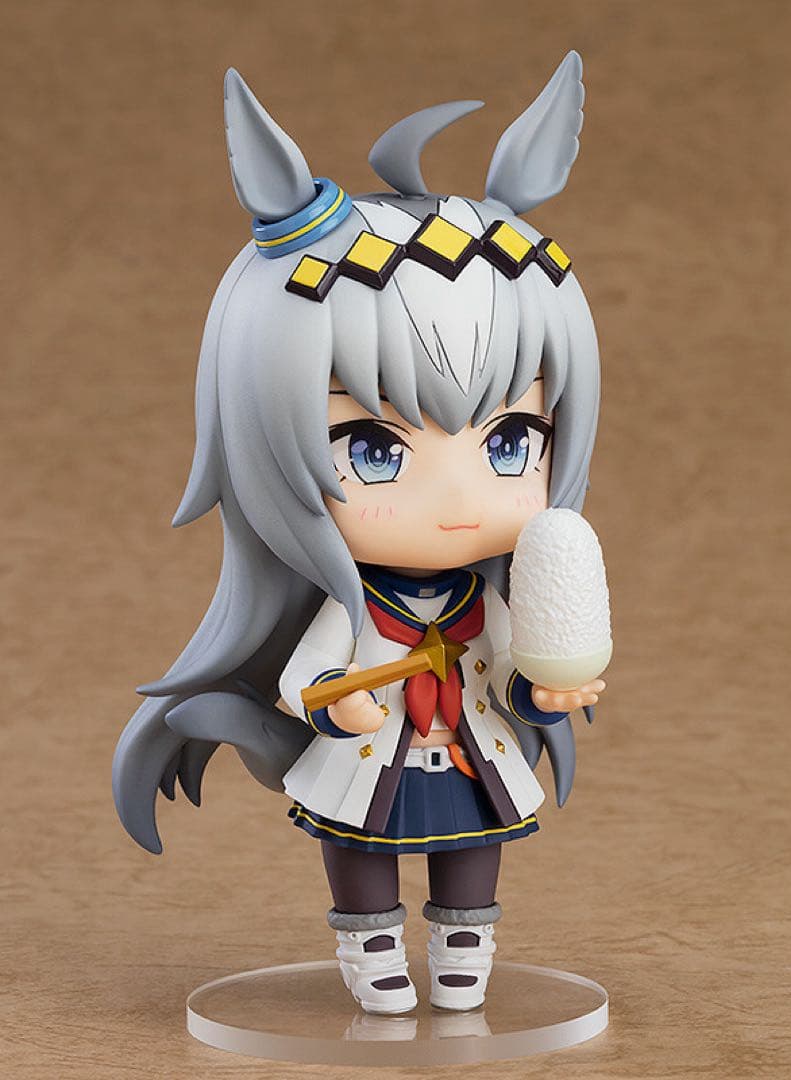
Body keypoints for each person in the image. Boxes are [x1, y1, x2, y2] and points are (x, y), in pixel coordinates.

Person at [113, 51, 604, 1014]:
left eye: (511, 441)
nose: (459, 497)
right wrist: (331, 707)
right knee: (361, 863)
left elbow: (512, 671)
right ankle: (373, 956)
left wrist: (543, 690)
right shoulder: (353, 611)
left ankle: (463, 953)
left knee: (473, 862)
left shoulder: (487, 600)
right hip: (368, 761)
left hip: (471, 756)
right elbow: (311, 677)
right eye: (375, 449)